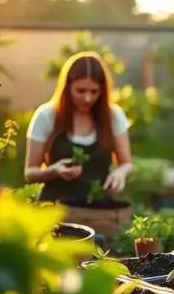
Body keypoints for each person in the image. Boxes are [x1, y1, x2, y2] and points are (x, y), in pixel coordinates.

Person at [25, 51, 133, 202]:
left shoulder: (113, 116)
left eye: (94, 91)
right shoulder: (47, 116)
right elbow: (30, 172)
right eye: (80, 91)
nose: (87, 98)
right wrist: (53, 171)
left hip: (99, 208)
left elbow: (126, 163)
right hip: (55, 208)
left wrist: (120, 173)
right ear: (67, 87)